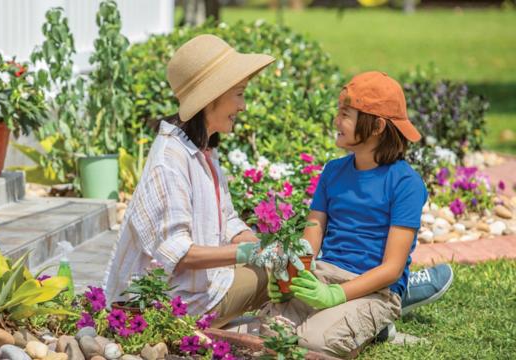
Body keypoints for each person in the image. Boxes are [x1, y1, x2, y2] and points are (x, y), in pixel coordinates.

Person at [103, 34, 287, 329]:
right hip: (168, 304)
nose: (244, 106)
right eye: (239, 94)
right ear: (211, 98)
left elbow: (226, 220)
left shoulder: (202, 150)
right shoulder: (170, 160)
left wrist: (263, 246)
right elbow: (180, 253)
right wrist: (252, 254)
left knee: (283, 264)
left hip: (194, 290)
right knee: (282, 274)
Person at [266, 71, 438, 358]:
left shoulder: (405, 183)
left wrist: (335, 296)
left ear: (377, 126)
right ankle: (358, 324)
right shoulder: (333, 171)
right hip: (324, 275)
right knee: (272, 333)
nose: (336, 121)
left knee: (315, 344)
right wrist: (291, 275)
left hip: (376, 291)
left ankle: (376, 326)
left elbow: (392, 269)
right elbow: (311, 239)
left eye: (346, 114)